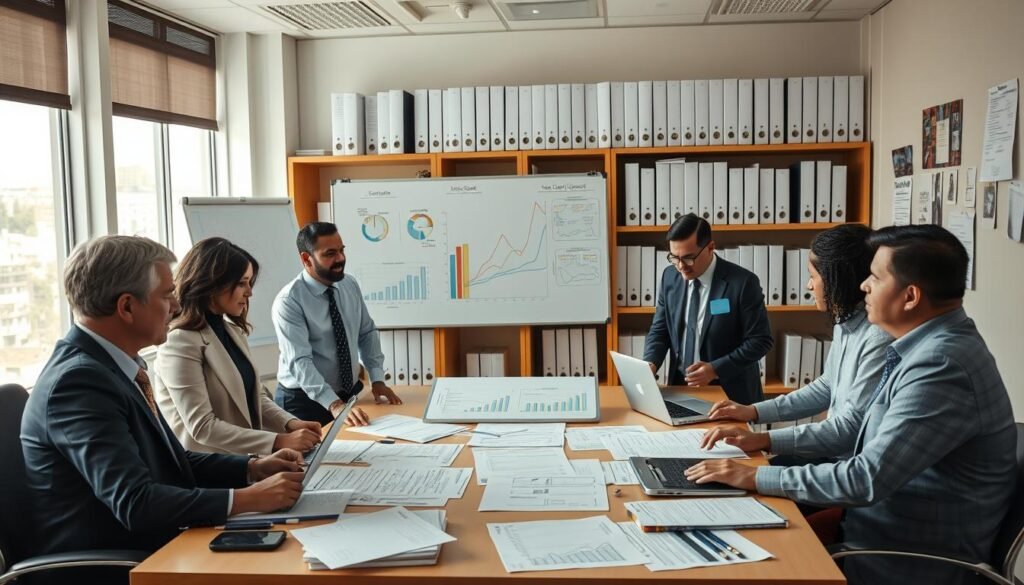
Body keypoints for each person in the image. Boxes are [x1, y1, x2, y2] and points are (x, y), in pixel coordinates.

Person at [687, 225, 1016, 585]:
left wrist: (753, 474)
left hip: (902, 558)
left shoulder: (941, 365)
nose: (863, 286)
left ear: (910, 296)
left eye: (874, 277)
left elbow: (865, 478)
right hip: (872, 526)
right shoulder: (923, 346)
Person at [20, 236, 309, 583]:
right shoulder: (79, 383)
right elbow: (136, 503)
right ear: (127, 307)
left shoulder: (114, 366)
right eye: (167, 294)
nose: (175, 306)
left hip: (156, 546)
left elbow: (172, 460)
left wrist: (252, 468)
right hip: (120, 563)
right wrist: (245, 499)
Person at [153, 237, 361, 456]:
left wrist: (290, 424)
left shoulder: (231, 331)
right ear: (214, 283)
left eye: (250, 283)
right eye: (242, 283)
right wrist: (279, 441)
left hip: (245, 463)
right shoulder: (178, 342)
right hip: (208, 474)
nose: (249, 292)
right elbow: (202, 427)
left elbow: (256, 396)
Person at [705, 224, 892, 465]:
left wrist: (763, 439)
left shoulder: (878, 339)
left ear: (839, 280)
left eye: (814, 276)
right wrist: (753, 411)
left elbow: (848, 430)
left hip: (845, 465)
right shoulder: (845, 322)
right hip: (831, 455)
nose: (808, 285)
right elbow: (826, 387)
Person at [273, 222, 401, 425]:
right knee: (310, 457)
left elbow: (366, 333)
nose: (340, 258)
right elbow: (300, 361)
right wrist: (333, 404)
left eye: (341, 250)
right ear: (307, 259)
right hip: (303, 401)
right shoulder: (289, 301)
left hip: (347, 394)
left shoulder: (349, 284)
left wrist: (377, 379)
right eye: (330, 253)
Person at [643, 213, 773, 404]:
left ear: (711, 247)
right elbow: (660, 330)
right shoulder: (669, 277)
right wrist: (650, 364)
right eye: (674, 257)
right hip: (680, 390)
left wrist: (715, 369)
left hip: (730, 394)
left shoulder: (743, 283)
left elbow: (760, 340)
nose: (681, 266)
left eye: (688, 258)